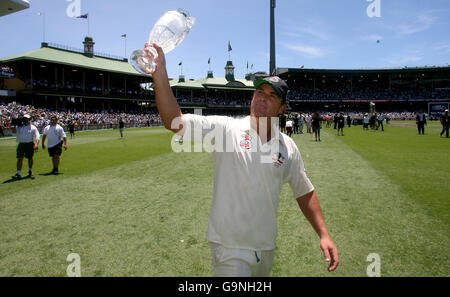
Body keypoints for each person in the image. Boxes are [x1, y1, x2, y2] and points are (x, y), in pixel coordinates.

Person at [147, 43, 339, 277]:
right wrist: (160, 75)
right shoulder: (226, 130)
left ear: (281, 108)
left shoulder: (287, 147)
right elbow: (174, 121)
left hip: (266, 247)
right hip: (230, 247)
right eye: (259, 92)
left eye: (271, 96)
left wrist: (324, 233)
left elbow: (305, 192)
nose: (262, 98)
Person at [12, 114, 40, 180]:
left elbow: (37, 136)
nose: (25, 119)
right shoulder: (19, 127)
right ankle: (18, 173)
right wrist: (14, 125)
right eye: (24, 118)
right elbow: (13, 133)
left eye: (26, 118)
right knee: (19, 158)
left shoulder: (33, 127)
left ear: (29, 119)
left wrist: (36, 144)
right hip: (21, 144)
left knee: (30, 158)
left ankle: (30, 170)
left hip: (30, 144)